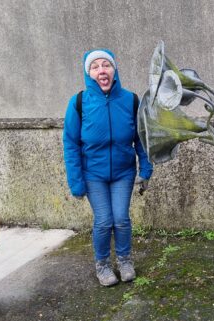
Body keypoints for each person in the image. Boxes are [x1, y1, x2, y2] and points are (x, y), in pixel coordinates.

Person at [63, 49, 153, 286]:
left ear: (114, 70)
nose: (102, 70)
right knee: (104, 221)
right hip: (93, 174)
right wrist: (76, 181)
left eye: (106, 65)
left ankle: (124, 261)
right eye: (95, 67)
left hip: (124, 172)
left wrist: (145, 168)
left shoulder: (130, 100)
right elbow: (71, 143)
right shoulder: (79, 102)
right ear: (89, 73)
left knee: (121, 219)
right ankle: (102, 264)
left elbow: (141, 139)